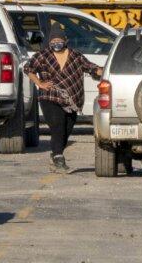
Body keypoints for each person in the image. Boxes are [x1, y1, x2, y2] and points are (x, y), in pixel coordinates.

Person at [23, 25, 102, 172]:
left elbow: (91, 67)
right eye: (53, 41)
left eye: (59, 40)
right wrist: (40, 83)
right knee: (57, 125)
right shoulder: (43, 55)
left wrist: (103, 70)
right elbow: (28, 69)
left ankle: (55, 153)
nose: (56, 43)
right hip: (50, 97)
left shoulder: (75, 56)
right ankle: (59, 157)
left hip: (72, 100)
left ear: (65, 40)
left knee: (66, 129)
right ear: (49, 42)